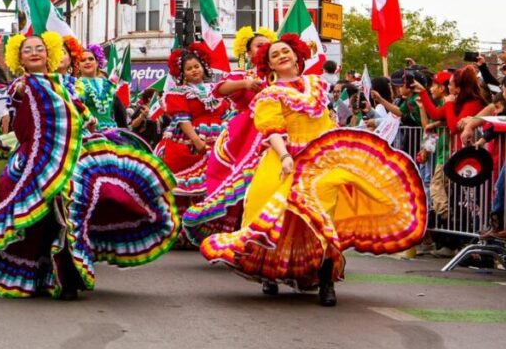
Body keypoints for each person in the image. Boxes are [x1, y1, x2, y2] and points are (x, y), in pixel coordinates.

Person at [0, 31, 178, 299]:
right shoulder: (22, 85)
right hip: (32, 161)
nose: (34, 53)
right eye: (27, 50)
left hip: (64, 157)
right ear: (18, 58)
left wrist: (88, 121)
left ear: (49, 52)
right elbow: (19, 114)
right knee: (32, 224)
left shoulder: (62, 84)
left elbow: (77, 110)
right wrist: (20, 93)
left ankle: (66, 278)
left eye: (39, 48)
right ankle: (31, 276)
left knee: (67, 215)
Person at [200, 35, 428, 305]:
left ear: (297, 56)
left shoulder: (317, 84)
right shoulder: (270, 95)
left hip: (321, 161)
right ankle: (269, 274)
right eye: (275, 55)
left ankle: (326, 280)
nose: (282, 56)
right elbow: (271, 129)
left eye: (286, 51)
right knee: (271, 215)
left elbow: (328, 122)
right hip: (283, 160)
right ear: (270, 65)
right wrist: (285, 155)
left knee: (323, 218)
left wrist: (341, 151)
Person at [184, 26, 274, 234]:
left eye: (268, 45)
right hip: (248, 134)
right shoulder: (244, 74)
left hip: (279, 132)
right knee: (243, 179)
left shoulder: (281, 74)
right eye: (259, 45)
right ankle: (241, 229)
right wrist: (246, 83)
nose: (265, 48)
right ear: (249, 52)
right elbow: (220, 89)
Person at [153, 43, 231, 201]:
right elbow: (181, 118)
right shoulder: (178, 92)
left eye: (197, 66)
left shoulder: (215, 88)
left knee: (220, 181)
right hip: (191, 139)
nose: (194, 70)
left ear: (204, 67)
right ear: (183, 74)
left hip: (219, 139)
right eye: (189, 69)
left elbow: (225, 112)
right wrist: (196, 140)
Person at [65, 38, 123, 127]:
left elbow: (119, 113)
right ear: (78, 65)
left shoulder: (108, 84)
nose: (87, 62)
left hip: (112, 131)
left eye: (91, 59)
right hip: (89, 132)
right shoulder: (75, 85)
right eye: (83, 60)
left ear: (97, 63)